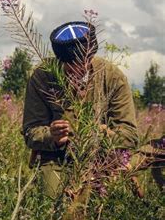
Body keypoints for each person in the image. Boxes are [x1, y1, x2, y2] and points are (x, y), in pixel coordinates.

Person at [22, 21, 139, 197]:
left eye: (84, 62)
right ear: (60, 61)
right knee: (53, 200)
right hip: (57, 158)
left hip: (102, 158)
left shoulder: (113, 77)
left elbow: (130, 135)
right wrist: (51, 136)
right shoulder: (41, 77)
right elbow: (31, 131)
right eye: (71, 66)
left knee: (108, 205)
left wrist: (99, 133)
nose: (79, 70)